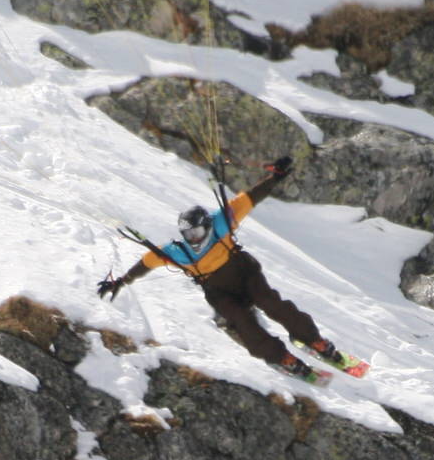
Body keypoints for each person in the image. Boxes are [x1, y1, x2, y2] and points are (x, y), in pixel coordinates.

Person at [98, 157, 356, 382]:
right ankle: (280, 358)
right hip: (220, 291)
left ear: (206, 225)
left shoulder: (221, 223)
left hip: (245, 274)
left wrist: (275, 177)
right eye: (187, 233)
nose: (193, 238)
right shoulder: (180, 251)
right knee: (242, 322)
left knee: (270, 302)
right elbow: (146, 263)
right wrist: (121, 280)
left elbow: (251, 197)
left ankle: (313, 339)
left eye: (196, 231)